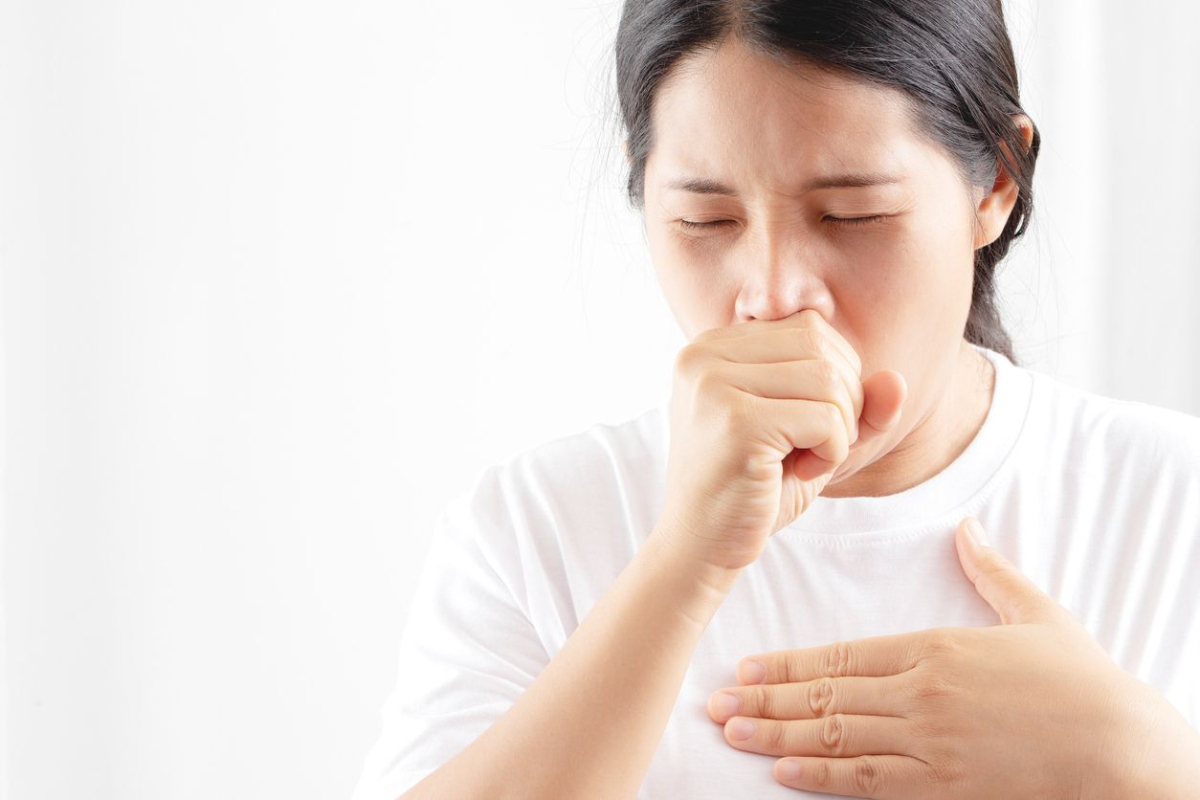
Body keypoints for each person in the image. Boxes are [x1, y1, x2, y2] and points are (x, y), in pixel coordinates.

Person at [352, 1, 1200, 797]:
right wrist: (683, 562)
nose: (772, 295)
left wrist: (1144, 763)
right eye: (706, 221)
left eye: (851, 214)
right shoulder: (538, 530)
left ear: (997, 185)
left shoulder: (1171, 501)